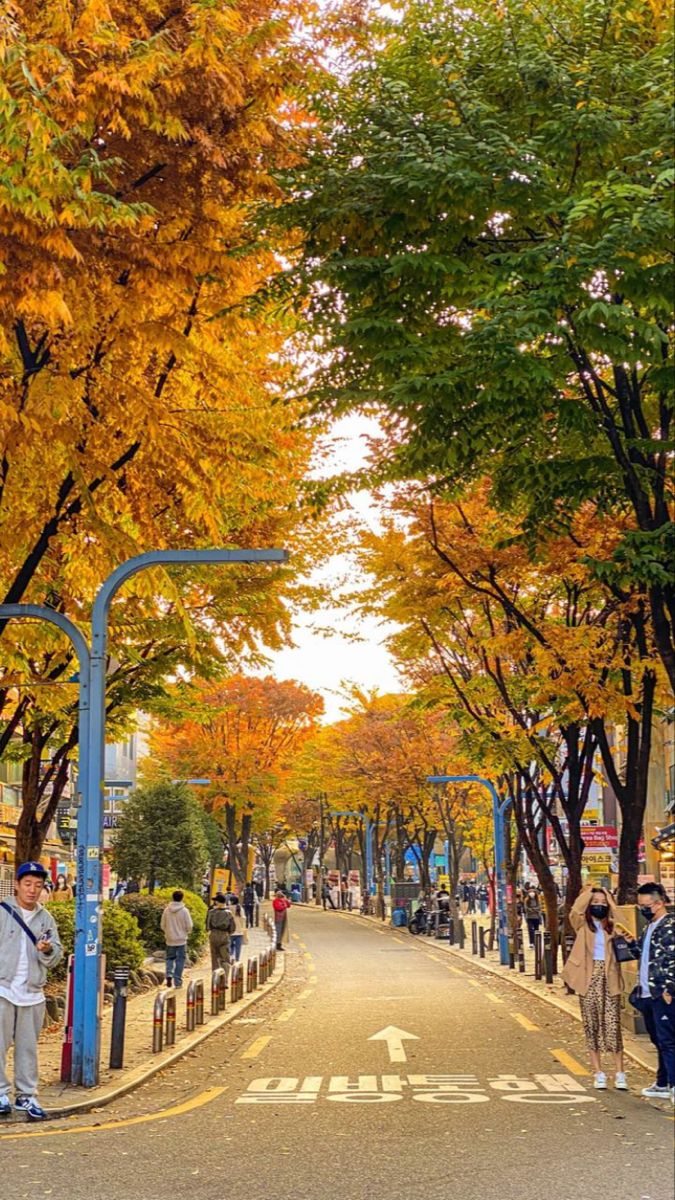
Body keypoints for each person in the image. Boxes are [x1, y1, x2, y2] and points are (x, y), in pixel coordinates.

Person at [0, 861, 63, 1121]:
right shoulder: (3, 911)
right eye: (28, 884)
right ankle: (1, 1094)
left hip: (33, 993)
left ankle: (26, 1095)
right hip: (3, 989)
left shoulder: (46, 918)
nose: (32, 890)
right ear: (17, 885)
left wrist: (47, 950)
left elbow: (57, 955)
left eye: (38, 885)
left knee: (28, 1048)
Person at [563, 884, 627, 1090]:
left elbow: (626, 926)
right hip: (587, 977)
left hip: (609, 977)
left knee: (612, 1024)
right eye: (595, 903)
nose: (599, 906)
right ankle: (598, 1072)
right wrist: (588, 894)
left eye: (602, 903)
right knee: (591, 1025)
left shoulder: (612, 925)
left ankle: (619, 1073)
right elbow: (575, 911)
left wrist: (610, 901)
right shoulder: (582, 925)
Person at [620, 882, 675, 1101]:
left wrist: (670, 988)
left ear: (660, 903)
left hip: (663, 992)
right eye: (640, 904)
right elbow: (642, 954)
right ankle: (662, 1083)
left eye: (646, 905)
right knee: (658, 1039)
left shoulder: (670, 926)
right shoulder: (650, 926)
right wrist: (631, 942)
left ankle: (672, 1083)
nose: (643, 908)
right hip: (647, 992)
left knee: (668, 1040)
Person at [160, 890, 193, 988]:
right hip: (181, 940)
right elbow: (189, 925)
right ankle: (177, 981)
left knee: (169, 958)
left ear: (173, 897)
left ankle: (169, 975)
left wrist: (167, 932)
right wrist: (186, 932)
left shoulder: (167, 910)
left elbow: (162, 924)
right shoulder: (184, 911)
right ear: (182, 898)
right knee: (180, 960)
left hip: (170, 939)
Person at [206, 894, 235, 974]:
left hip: (213, 934)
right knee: (225, 958)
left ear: (218, 902)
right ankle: (225, 979)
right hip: (224, 935)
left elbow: (208, 926)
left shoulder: (211, 912)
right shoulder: (229, 913)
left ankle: (215, 979)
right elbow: (232, 928)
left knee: (214, 958)